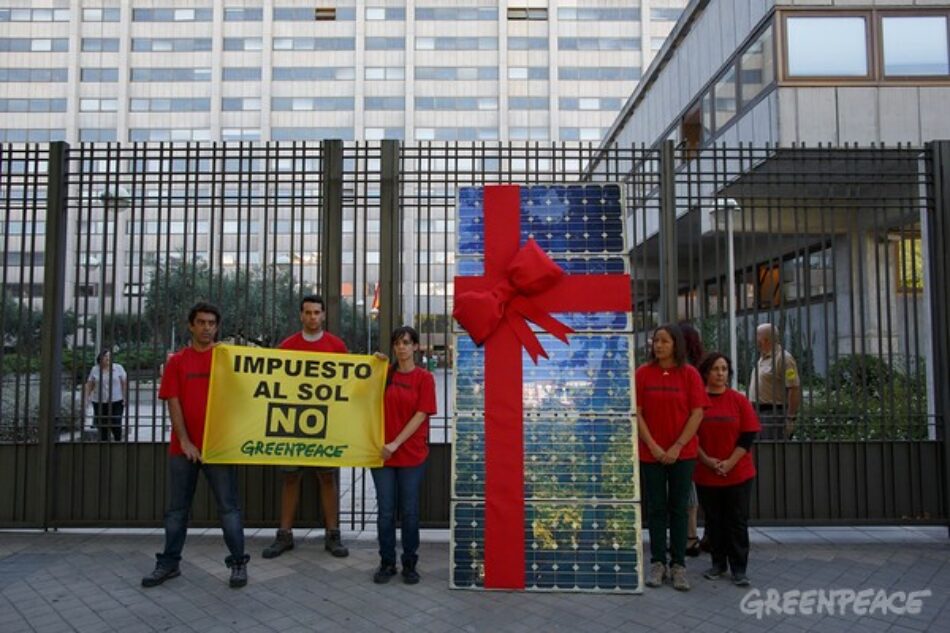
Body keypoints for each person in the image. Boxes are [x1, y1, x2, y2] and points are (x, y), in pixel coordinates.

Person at [142, 301, 249, 589]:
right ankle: (168, 563)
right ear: (191, 325)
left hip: (219, 448)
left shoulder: (227, 358)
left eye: (212, 323)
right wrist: (186, 441)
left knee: (229, 509)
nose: (207, 328)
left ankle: (238, 563)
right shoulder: (177, 361)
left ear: (217, 327)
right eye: (201, 322)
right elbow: (173, 402)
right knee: (177, 510)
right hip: (183, 449)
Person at [262, 295, 350, 559]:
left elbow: (349, 381)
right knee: (290, 478)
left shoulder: (336, 346)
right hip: (293, 423)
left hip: (327, 424)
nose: (313, 317)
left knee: (327, 478)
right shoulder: (287, 346)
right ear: (301, 316)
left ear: (323, 316)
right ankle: (284, 535)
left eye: (317, 313)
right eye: (308, 313)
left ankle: (333, 535)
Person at [636, 324, 710, 591]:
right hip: (650, 453)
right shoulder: (643, 373)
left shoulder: (689, 374)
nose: (659, 345)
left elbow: (697, 413)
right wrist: (654, 446)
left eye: (664, 341)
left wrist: (677, 446)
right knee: (656, 509)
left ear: (676, 344)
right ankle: (657, 563)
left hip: (683, 454)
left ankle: (679, 565)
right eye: (656, 341)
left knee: (679, 509)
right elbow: (638, 413)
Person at [370, 326, 436, 584]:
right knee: (385, 511)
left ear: (416, 347)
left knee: (409, 511)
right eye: (397, 343)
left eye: (407, 343)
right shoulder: (384, 374)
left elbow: (421, 414)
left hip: (410, 454)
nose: (401, 347)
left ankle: (409, 563)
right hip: (382, 454)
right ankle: (387, 562)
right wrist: (372, 364)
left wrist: (396, 443)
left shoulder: (425, 378)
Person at [695, 352, 761, 586]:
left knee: (737, 521)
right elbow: (692, 436)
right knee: (714, 521)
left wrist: (730, 462)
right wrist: (708, 461)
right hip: (707, 472)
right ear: (706, 373)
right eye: (715, 369)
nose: (720, 373)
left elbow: (748, 434)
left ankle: (739, 568)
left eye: (724, 369)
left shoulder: (738, 400)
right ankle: (718, 563)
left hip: (738, 473)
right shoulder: (698, 401)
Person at [678, 322, 704, 557]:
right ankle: (690, 536)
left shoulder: (691, 371)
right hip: (693, 434)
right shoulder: (695, 368)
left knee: (688, 488)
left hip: (689, 435)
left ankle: (690, 536)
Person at [748, 323, 800, 440]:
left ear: (765, 339)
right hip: (758, 413)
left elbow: (794, 388)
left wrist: (790, 418)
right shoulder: (763, 357)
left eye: (757, 335)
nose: (755, 339)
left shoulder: (784, 359)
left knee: (771, 451)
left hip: (773, 414)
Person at [84, 349, 127, 441]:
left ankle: (118, 442)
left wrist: (124, 397)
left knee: (116, 422)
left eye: (110, 356)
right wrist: (86, 398)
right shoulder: (95, 369)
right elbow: (90, 384)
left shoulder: (118, 368)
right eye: (106, 356)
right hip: (99, 401)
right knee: (103, 425)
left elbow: (124, 383)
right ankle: (104, 445)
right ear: (100, 358)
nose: (108, 358)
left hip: (116, 401)